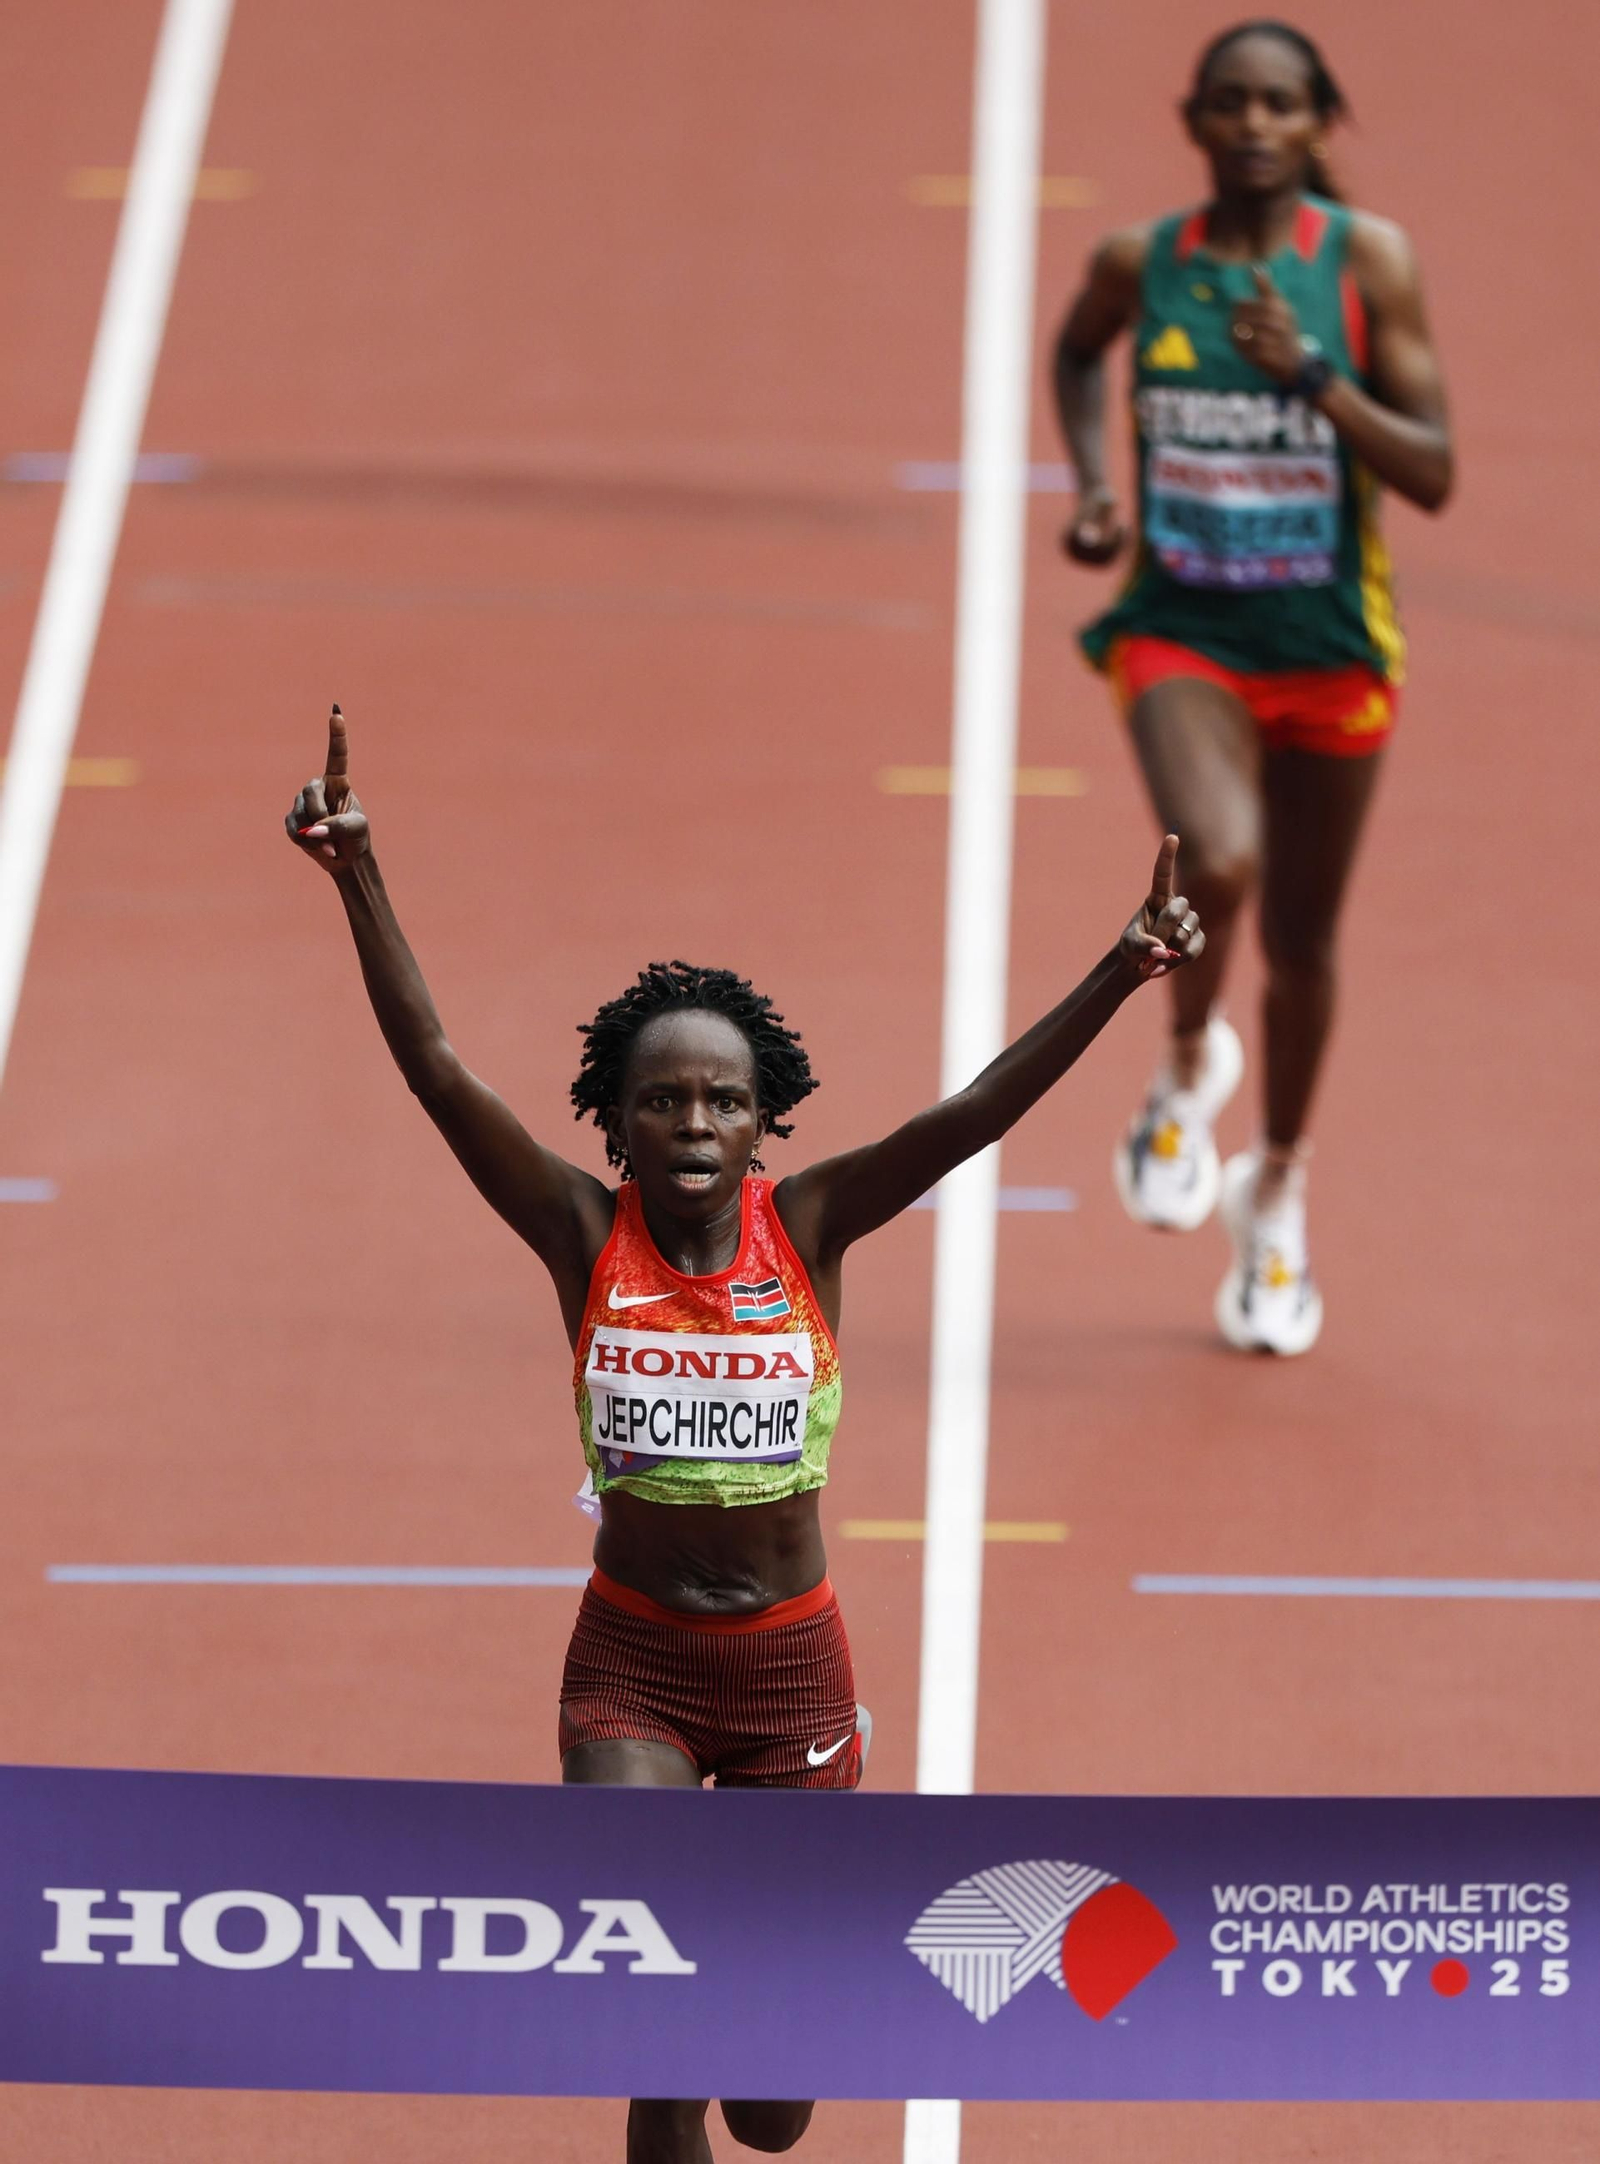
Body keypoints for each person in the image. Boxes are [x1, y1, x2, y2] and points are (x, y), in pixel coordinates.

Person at [285, 706, 1203, 2161]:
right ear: (617, 1125)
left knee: (772, 2106)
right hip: (632, 1668)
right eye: (664, 1099)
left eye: (722, 1098)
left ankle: (755, 2046)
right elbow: (441, 1070)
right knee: (662, 2027)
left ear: (766, 1123)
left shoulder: (817, 1226)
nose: (695, 1120)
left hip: (792, 1673)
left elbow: (973, 1116)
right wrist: (359, 873)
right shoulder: (579, 1234)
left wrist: (1125, 964)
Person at [1052, 18, 1452, 1354]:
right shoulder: (1144, 263)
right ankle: (1180, 1070)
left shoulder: (1367, 264)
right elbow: (1074, 350)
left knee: (1302, 945)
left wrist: (1315, 382)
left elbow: (1435, 471)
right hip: (1183, 632)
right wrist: (1100, 488)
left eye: (1282, 103)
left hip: (1332, 648)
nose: (1257, 126)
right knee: (1212, 857)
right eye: (1231, 103)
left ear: (1318, 118)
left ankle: (1273, 1189)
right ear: (1197, 120)